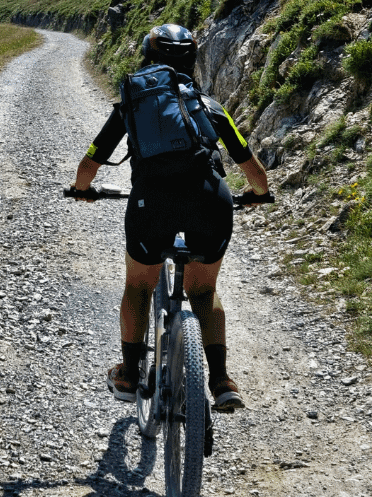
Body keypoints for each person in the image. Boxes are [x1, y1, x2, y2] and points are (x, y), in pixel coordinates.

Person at [66, 22, 271, 413]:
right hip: (210, 201)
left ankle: (128, 373)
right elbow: (255, 172)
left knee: (140, 285)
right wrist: (258, 195)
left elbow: (92, 160)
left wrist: (82, 190)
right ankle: (222, 381)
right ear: (192, 60)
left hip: (152, 203)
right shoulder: (209, 105)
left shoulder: (134, 102)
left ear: (149, 56)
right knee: (204, 291)